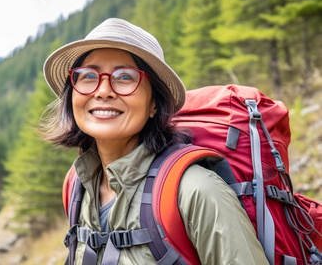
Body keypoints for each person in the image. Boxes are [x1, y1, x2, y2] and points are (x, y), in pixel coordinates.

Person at [41, 18, 268, 264]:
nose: (103, 90)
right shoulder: (77, 186)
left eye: (125, 77)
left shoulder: (196, 191)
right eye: (87, 75)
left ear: (153, 104)